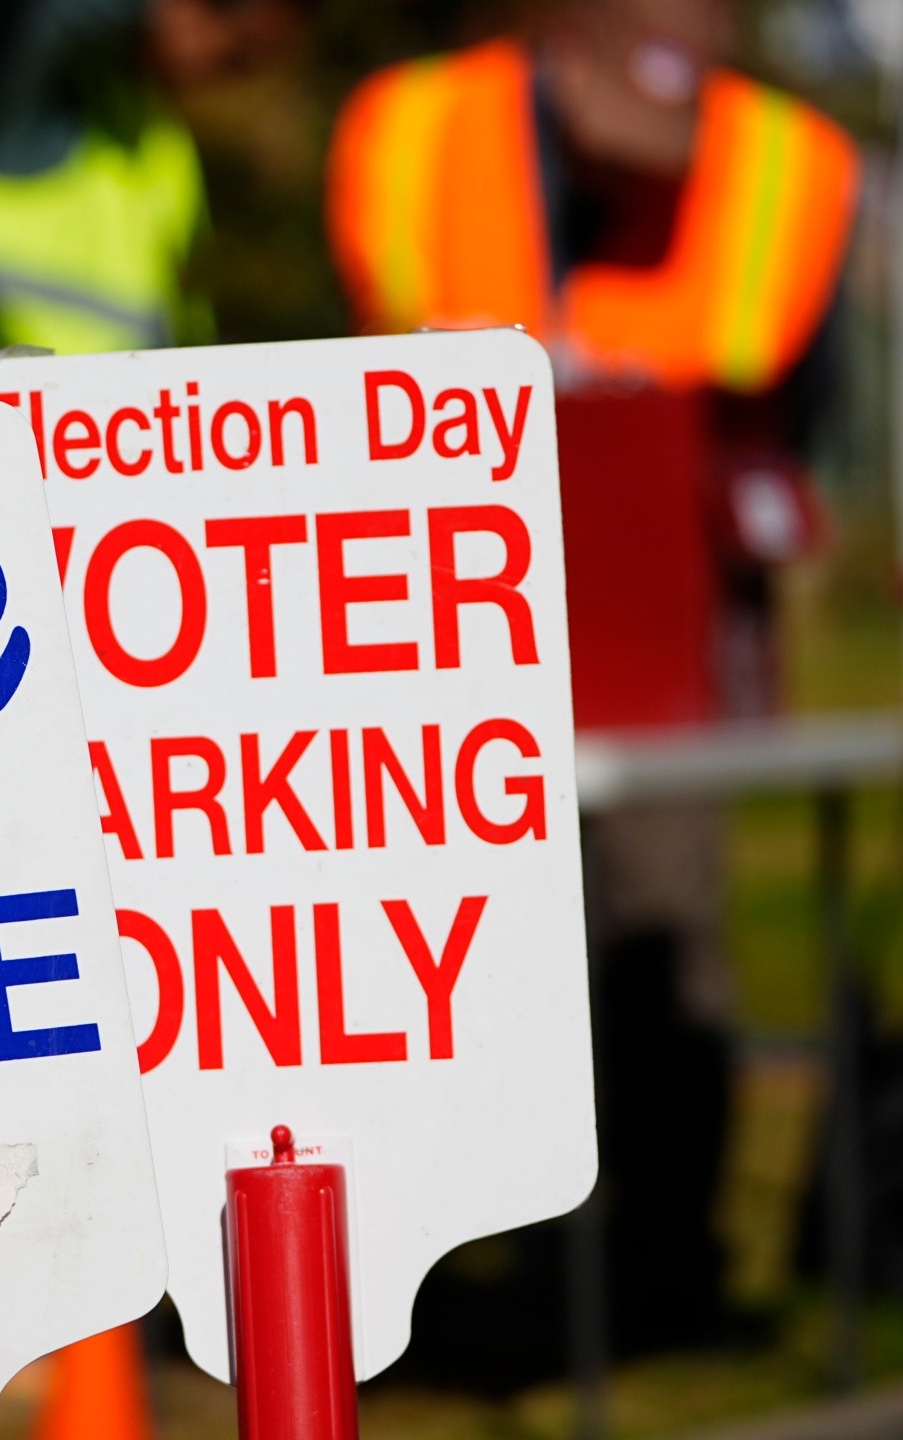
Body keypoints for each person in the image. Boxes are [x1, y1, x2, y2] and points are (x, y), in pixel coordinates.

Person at [325, 0, 858, 1359]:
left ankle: (662, 1258)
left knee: (661, 933)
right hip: (444, 630)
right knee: (452, 969)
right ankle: (449, 1276)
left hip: (653, 629)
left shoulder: (785, 161)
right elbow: (395, 325)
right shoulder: (419, 128)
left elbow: (746, 358)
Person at [0, 0, 303, 407]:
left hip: (70, 450)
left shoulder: (148, 134)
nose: (226, 75)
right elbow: (38, 17)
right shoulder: (17, 98)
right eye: (235, 51)